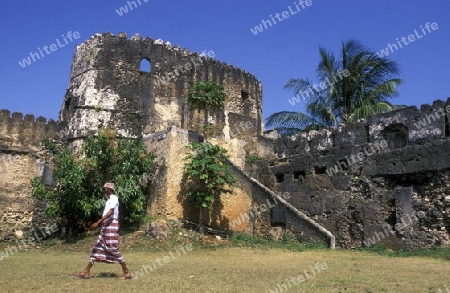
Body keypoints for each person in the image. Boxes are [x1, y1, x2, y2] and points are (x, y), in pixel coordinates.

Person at [74, 182, 131, 279]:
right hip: (106, 226)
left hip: (111, 225)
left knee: (113, 248)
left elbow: (110, 212)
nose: (103, 191)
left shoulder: (114, 198)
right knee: (96, 248)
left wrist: (98, 222)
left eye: (104, 189)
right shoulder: (109, 200)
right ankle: (86, 271)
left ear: (109, 189)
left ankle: (126, 272)